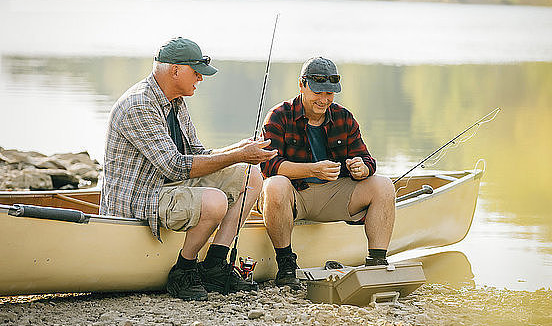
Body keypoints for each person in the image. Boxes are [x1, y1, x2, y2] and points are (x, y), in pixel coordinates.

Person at [100, 37, 277, 301]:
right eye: (196, 73)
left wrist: (236, 151)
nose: (201, 79)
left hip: (169, 187)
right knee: (215, 201)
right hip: (139, 199)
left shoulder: (176, 101)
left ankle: (214, 265)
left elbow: (196, 156)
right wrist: (238, 154)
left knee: (250, 175)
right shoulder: (139, 104)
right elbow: (174, 166)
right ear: (175, 70)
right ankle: (183, 271)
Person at [260, 56, 396, 289]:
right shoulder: (279, 115)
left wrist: (362, 169)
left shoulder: (343, 117)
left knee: (383, 185)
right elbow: (269, 167)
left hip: (334, 195)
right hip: (295, 195)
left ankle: (376, 263)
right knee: (274, 185)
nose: (324, 100)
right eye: (318, 93)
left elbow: (367, 159)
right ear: (301, 85)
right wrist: (313, 169)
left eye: (329, 94)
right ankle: (285, 266)